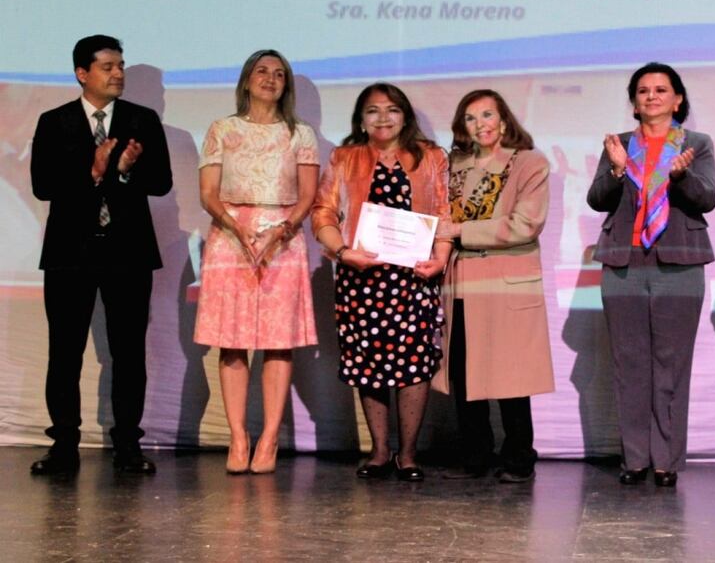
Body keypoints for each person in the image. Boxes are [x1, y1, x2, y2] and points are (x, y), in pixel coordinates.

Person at [29, 34, 173, 475]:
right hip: (70, 254)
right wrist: (91, 173)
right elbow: (43, 185)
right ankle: (64, 445)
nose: (117, 74)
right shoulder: (54, 122)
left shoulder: (142, 120)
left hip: (127, 253)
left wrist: (126, 172)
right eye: (108, 66)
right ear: (82, 73)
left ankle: (128, 445)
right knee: (65, 351)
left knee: (128, 352)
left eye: (121, 66)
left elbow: (162, 181)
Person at [311, 82, 451, 482]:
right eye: (373, 110)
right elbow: (322, 213)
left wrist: (439, 258)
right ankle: (379, 451)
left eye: (391, 110)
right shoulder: (346, 157)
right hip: (361, 277)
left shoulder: (430, 157)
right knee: (367, 365)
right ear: (360, 119)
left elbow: (443, 212)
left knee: (413, 365)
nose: (383, 118)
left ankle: (407, 455)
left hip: (413, 278)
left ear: (405, 115)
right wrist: (342, 252)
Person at [586, 62, 715, 488]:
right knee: (630, 365)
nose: (652, 96)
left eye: (661, 89)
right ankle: (635, 458)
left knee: (671, 366)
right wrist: (618, 168)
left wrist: (681, 176)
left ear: (678, 99)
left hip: (678, 261)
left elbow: (707, 199)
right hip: (624, 262)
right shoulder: (619, 145)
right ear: (634, 102)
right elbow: (597, 200)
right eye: (643, 91)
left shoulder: (696, 143)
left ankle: (666, 461)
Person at [194, 49, 319, 474]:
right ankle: (238, 436)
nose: (271, 78)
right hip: (231, 237)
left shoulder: (299, 133)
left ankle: (268, 438)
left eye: (279, 73)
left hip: (282, 239)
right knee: (232, 340)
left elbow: (307, 196)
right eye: (262, 71)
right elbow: (209, 192)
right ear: (247, 80)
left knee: (277, 342)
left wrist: (282, 230)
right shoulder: (222, 129)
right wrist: (236, 226)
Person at [432, 90, 555, 483]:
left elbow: (525, 224)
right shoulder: (454, 165)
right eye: (470, 118)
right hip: (462, 282)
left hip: (507, 283)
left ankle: (520, 457)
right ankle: (475, 457)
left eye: (488, 115)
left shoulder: (529, 163)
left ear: (504, 120)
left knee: (512, 378)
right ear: (461, 126)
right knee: (465, 377)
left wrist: (459, 230)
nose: (480, 124)